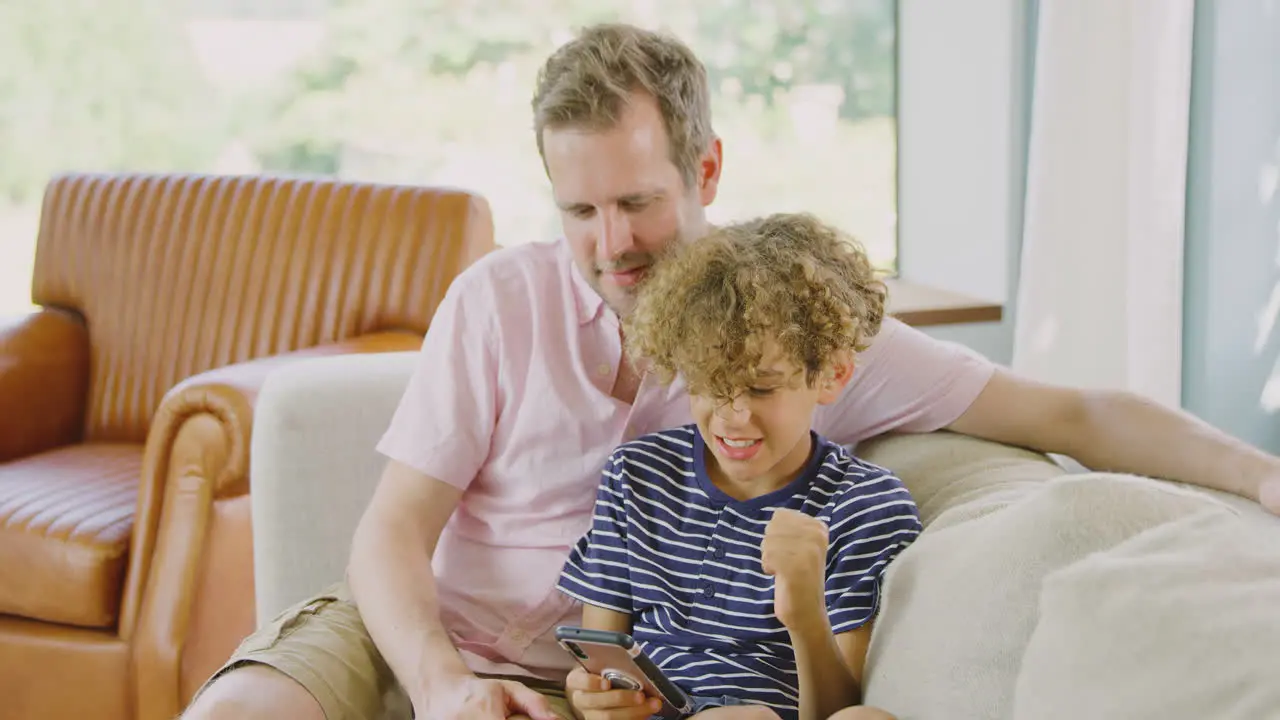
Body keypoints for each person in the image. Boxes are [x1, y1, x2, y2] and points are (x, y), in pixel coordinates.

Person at [182, 21, 1280, 720]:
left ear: (703, 168)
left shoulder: (779, 333)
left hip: (596, 678)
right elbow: (389, 531)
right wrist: (435, 683)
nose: (609, 243)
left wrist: (1261, 478)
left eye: (637, 202)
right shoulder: (495, 304)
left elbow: (1073, 410)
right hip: (417, 632)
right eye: (578, 211)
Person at [558, 212, 911, 720]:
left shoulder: (865, 506)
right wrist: (586, 692)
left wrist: (805, 612)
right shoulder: (637, 477)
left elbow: (835, 708)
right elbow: (598, 656)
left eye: (763, 387)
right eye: (710, 382)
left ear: (831, 375)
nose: (732, 416)